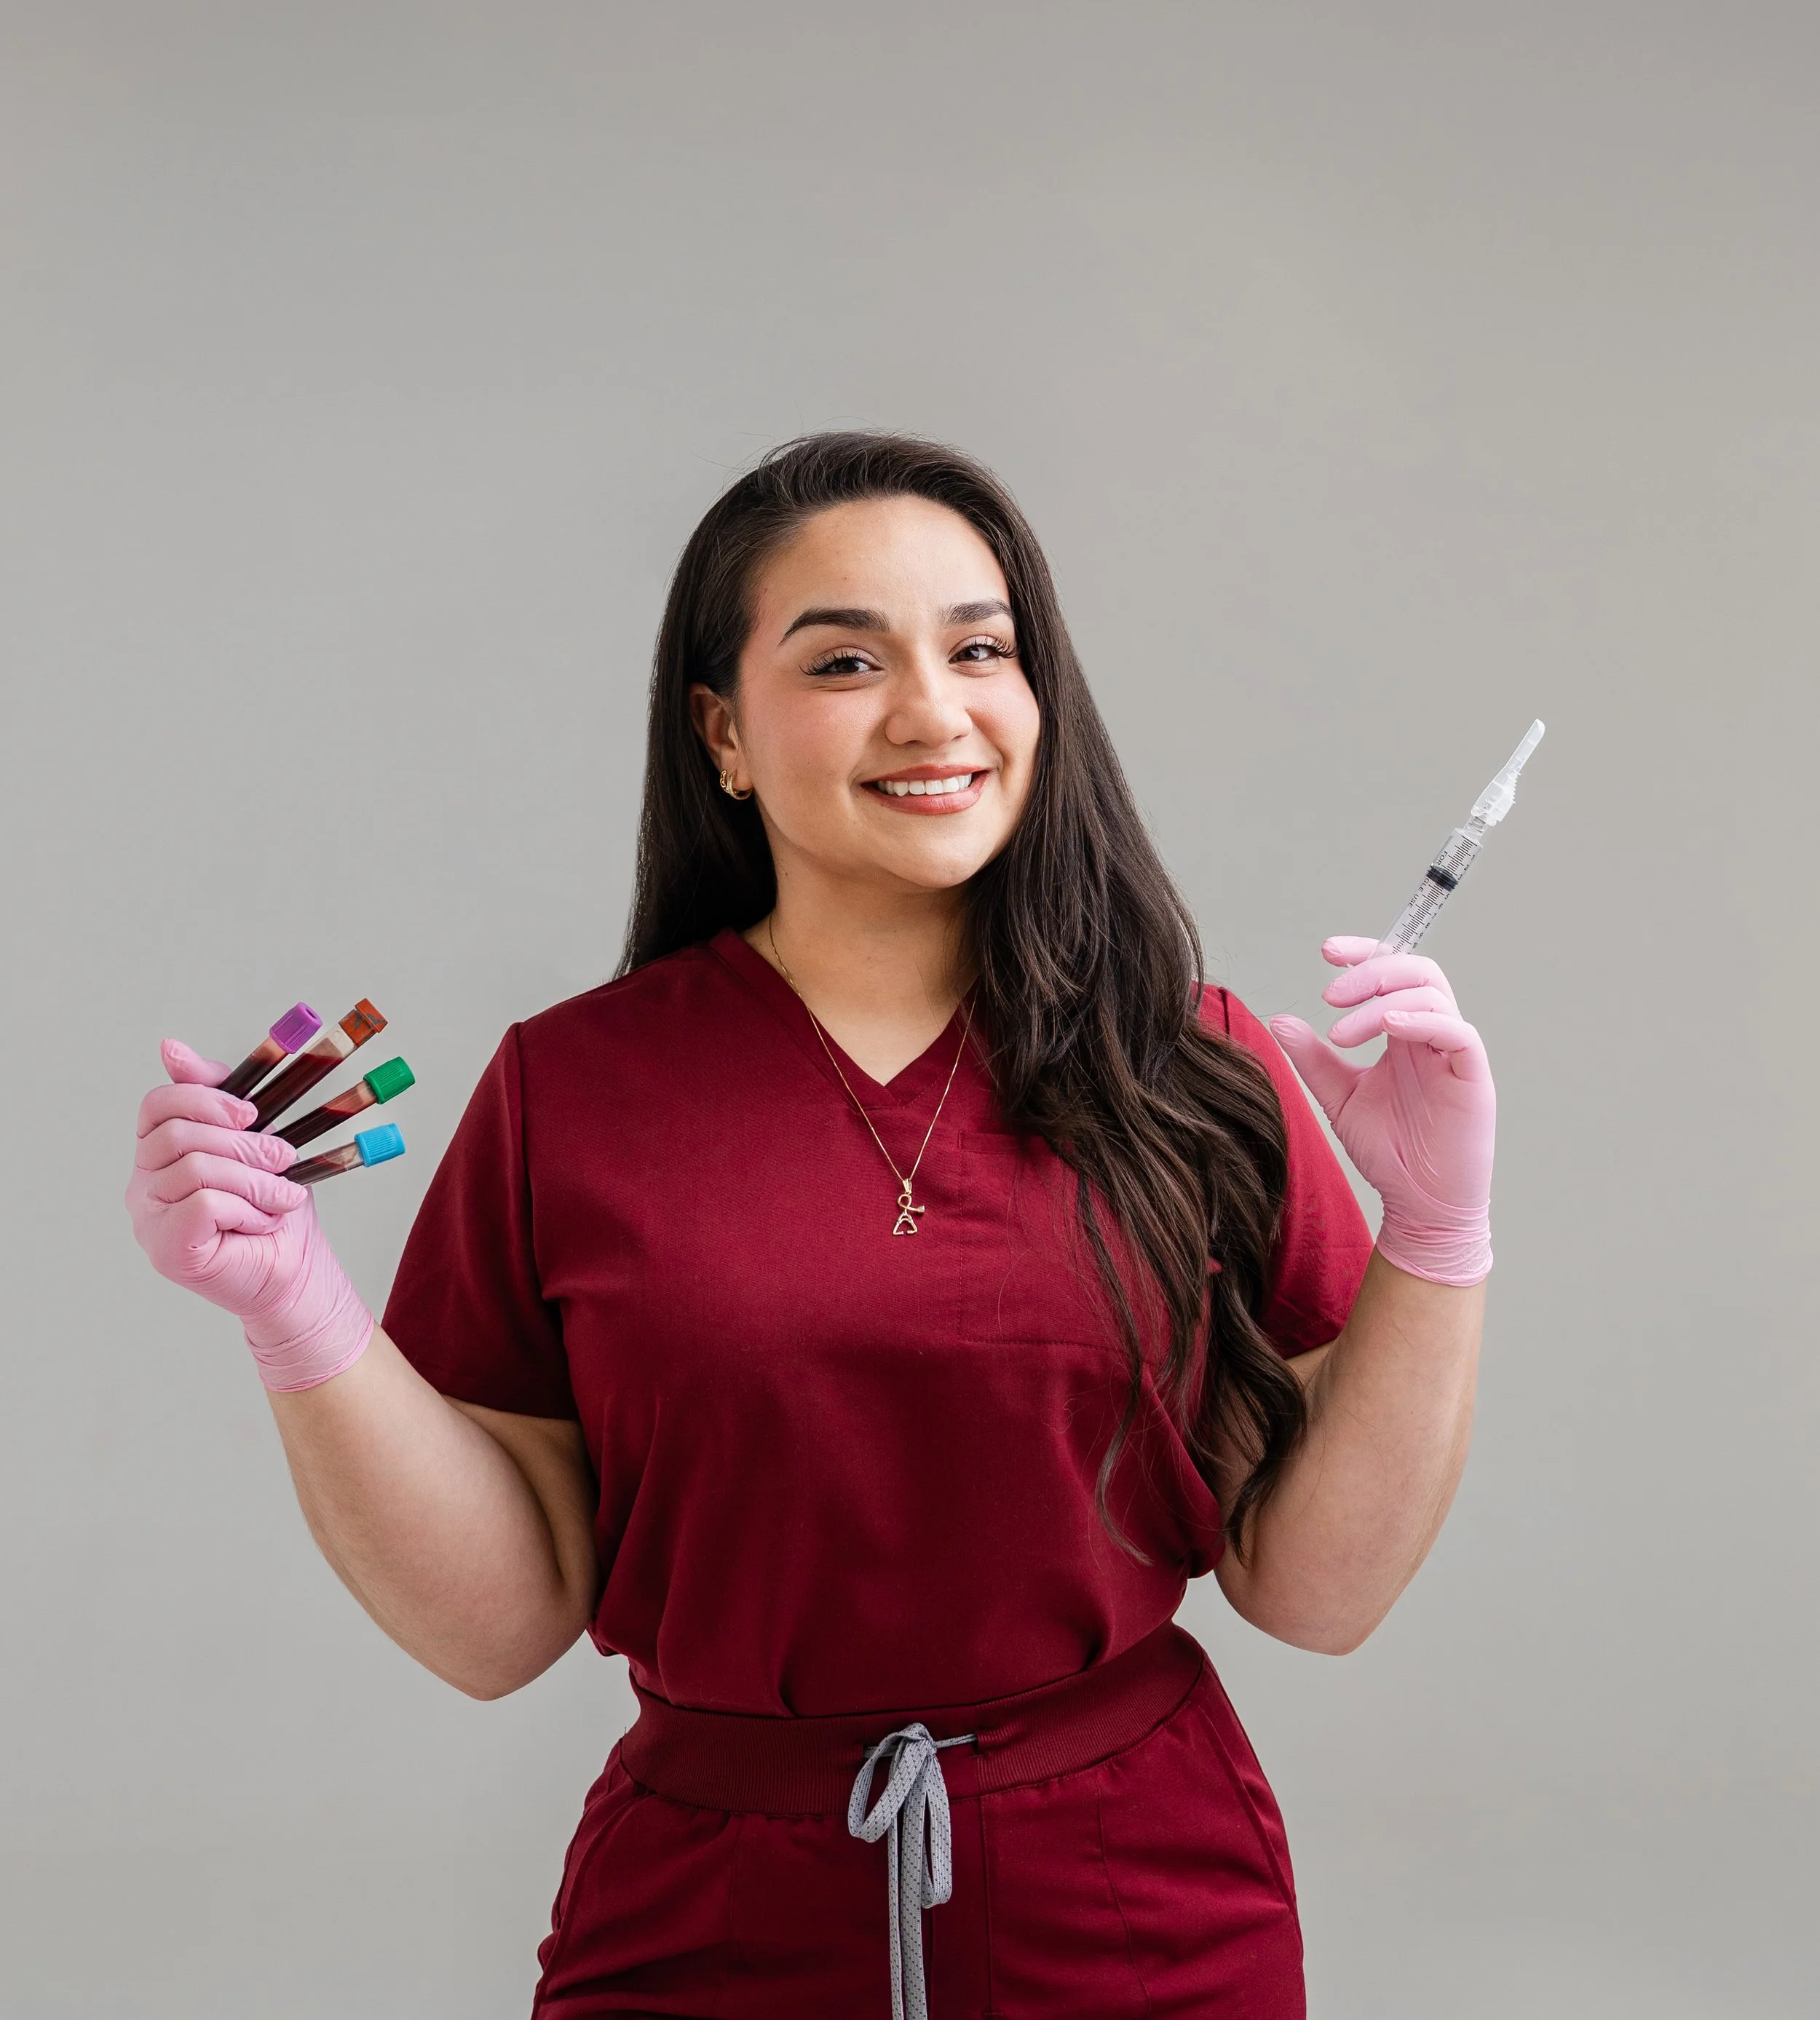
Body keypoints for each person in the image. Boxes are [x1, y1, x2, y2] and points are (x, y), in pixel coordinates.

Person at [127, 432, 1494, 2018]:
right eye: (844, 657)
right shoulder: (569, 1088)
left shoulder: (1191, 1065)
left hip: (1136, 1896)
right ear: (721, 730)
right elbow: (502, 1624)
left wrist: (1434, 1230)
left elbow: (1314, 1591)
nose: (933, 710)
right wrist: (294, 1305)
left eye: (980, 647)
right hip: (710, 1915)